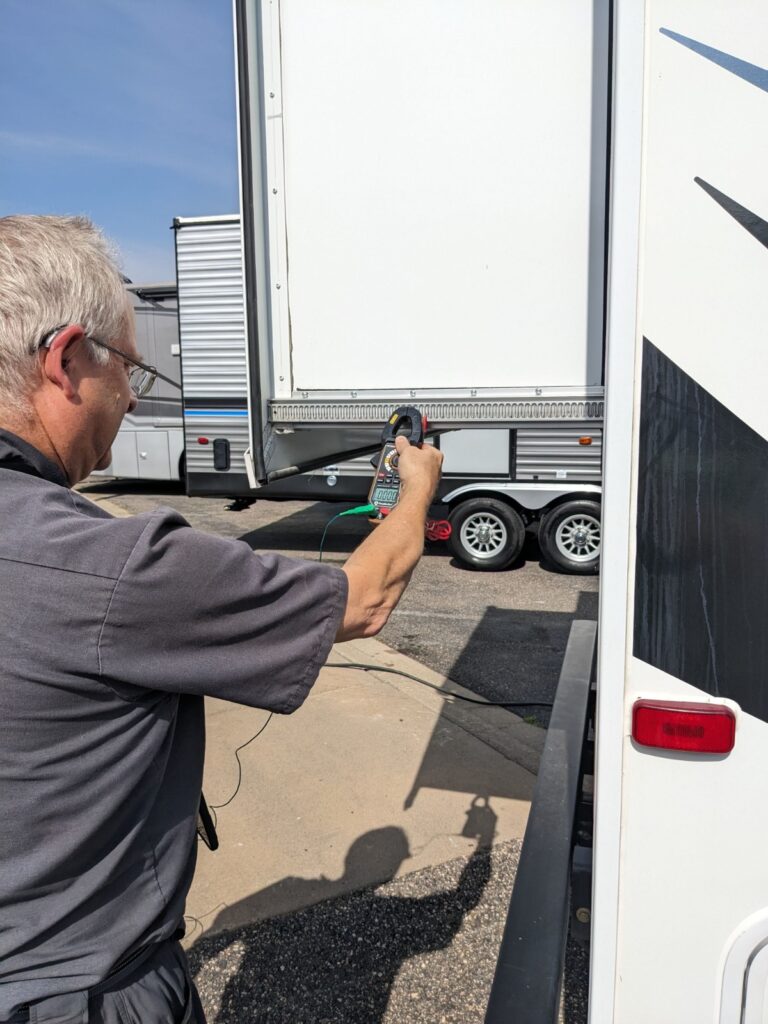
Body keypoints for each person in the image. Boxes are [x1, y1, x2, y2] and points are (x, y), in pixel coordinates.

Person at [0, 215, 443, 1024]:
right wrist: (415, 489)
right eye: (129, 366)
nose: (134, 395)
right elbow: (365, 596)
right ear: (66, 361)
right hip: (76, 993)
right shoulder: (110, 567)